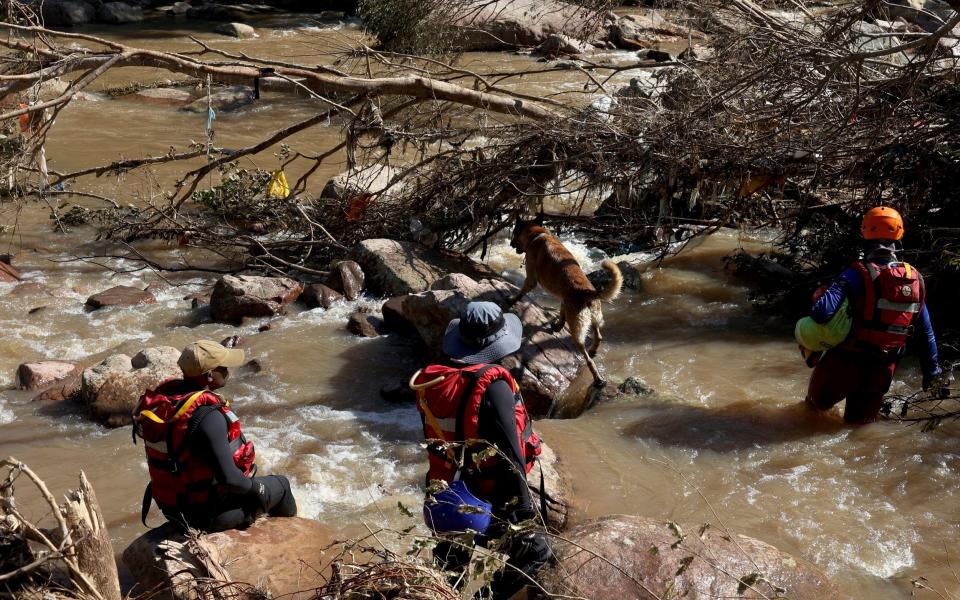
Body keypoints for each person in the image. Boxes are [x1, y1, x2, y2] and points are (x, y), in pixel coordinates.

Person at [410, 301, 552, 599]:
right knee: (537, 553)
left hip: (445, 492)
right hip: (488, 497)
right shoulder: (493, 386)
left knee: (449, 573)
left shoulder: (436, 379)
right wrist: (524, 514)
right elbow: (510, 456)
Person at [133, 339, 297, 532]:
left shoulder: (169, 403)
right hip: (209, 516)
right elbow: (230, 480)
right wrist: (257, 489)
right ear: (209, 375)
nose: (228, 371)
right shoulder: (208, 417)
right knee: (282, 484)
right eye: (224, 367)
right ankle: (294, 533)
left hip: (174, 510)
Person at [805, 207, 945, 423]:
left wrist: (819, 296)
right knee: (858, 431)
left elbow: (822, 313)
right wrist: (932, 374)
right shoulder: (915, 280)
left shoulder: (854, 274)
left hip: (843, 365)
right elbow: (927, 334)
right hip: (881, 371)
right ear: (899, 235)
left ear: (864, 233)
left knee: (810, 415)